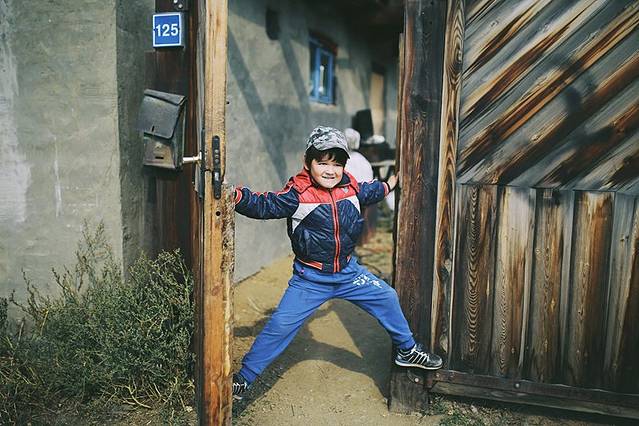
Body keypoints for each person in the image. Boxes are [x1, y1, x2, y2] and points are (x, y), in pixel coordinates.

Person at [231, 126, 442, 399]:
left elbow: (369, 191)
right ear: (307, 162)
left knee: (387, 296)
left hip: (348, 273)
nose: (330, 171)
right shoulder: (298, 194)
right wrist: (235, 196)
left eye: (337, 164)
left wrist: (389, 184)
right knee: (280, 325)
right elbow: (264, 204)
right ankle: (244, 378)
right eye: (322, 163)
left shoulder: (351, 187)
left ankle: (407, 350)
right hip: (310, 279)